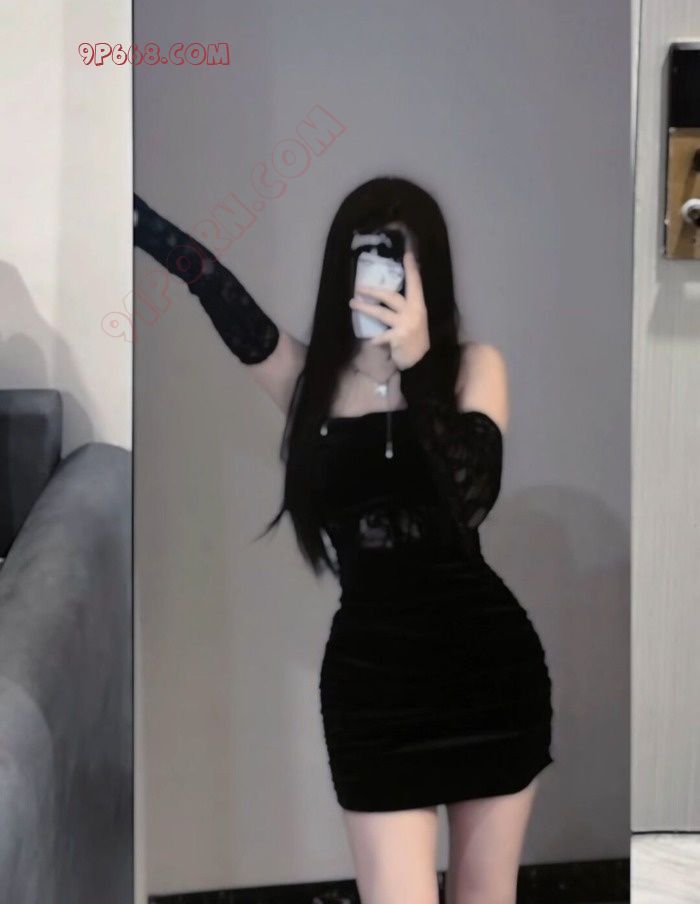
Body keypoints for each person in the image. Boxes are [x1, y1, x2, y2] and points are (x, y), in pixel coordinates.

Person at [133, 175, 554, 904]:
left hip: (487, 674)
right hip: (372, 687)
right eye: (371, 258)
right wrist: (141, 224)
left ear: (428, 273)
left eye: (402, 260)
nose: (385, 278)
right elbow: (216, 291)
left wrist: (418, 368)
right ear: (343, 269)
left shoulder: (474, 368)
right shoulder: (307, 381)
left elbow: (471, 497)